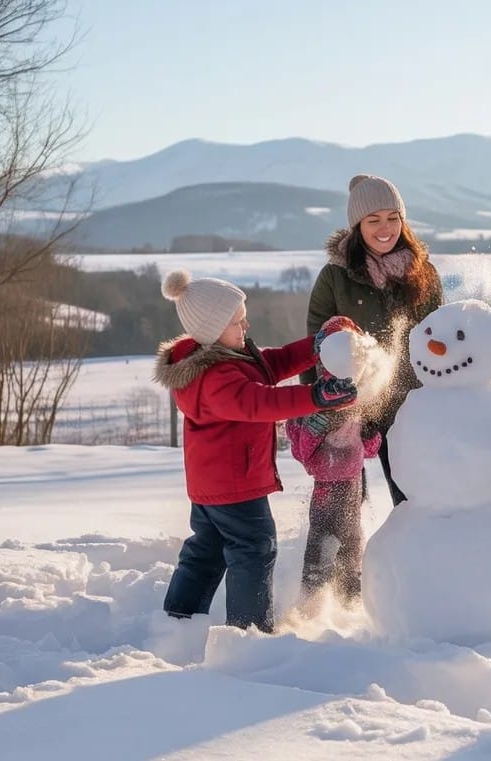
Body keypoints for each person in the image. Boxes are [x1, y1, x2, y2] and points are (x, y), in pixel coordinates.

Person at [154, 269, 358, 633]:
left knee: (206, 550)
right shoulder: (214, 379)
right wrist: (317, 397)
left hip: (212, 485)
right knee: (254, 549)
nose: (245, 325)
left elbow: (274, 363)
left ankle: (178, 620)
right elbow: (260, 402)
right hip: (234, 485)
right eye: (237, 322)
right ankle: (248, 633)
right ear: (212, 331)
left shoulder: (227, 357)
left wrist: (317, 346)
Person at [304, 173, 443, 508]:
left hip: (409, 404)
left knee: (414, 499)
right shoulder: (335, 276)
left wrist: (442, 399)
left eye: (393, 218)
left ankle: (417, 559)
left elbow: (439, 339)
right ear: (357, 226)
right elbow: (315, 341)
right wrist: (311, 403)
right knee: (341, 507)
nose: (385, 228)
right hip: (347, 405)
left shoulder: (423, 273)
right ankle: (337, 561)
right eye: (374, 220)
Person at [285, 315, 382, 609]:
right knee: (322, 542)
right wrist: (316, 424)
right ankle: (310, 604)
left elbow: (369, 449)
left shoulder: (357, 395)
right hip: (328, 486)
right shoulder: (319, 399)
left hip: (353, 482)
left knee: (351, 541)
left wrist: (370, 431)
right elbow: (305, 455)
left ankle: (348, 602)